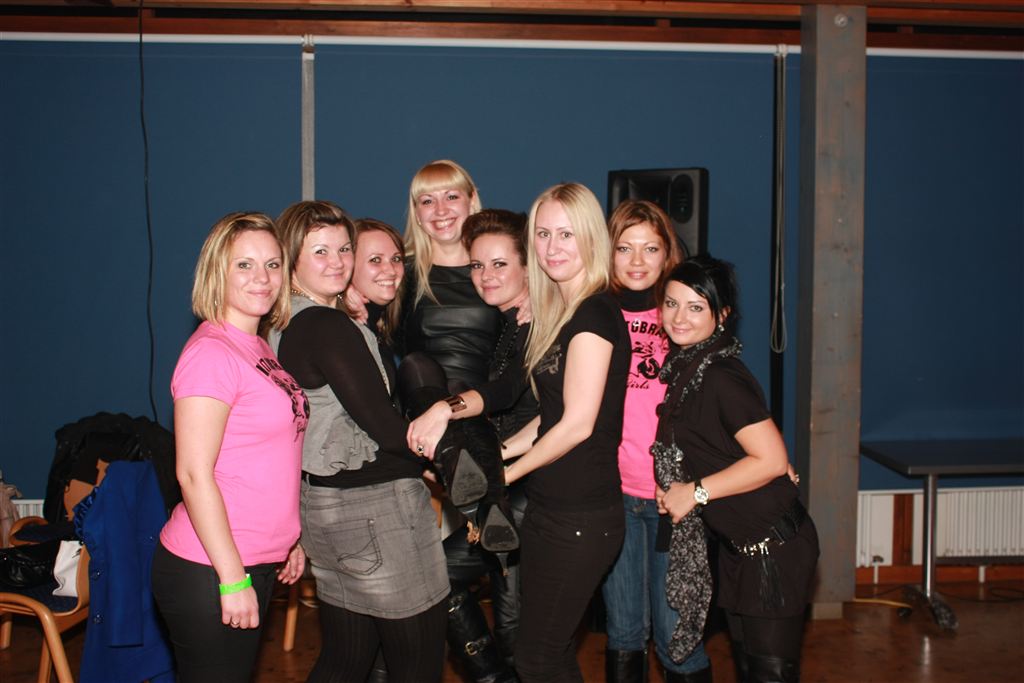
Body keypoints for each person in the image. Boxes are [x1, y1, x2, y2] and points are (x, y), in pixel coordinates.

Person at [271, 201, 449, 683]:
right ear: (291, 258)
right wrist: (441, 458)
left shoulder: (285, 320)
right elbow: (384, 428)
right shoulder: (325, 325)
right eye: (320, 251)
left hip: (323, 506)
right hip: (374, 509)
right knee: (417, 665)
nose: (337, 261)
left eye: (343, 249)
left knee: (346, 660)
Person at [151, 212, 307, 683]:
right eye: (244, 264)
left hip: (254, 557)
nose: (262, 277)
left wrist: (288, 539)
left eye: (272, 264)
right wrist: (233, 577)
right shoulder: (211, 353)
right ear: (217, 271)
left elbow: (266, 455)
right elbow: (192, 474)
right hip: (211, 566)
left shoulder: (256, 346)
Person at [655, 256, 819, 683]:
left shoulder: (720, 375)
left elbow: (771, 460)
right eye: (671, 304)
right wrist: (675, 485)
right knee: (749, 669)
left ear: (722, 314)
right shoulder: (689, 368)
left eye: (695, 307)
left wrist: (695, 492)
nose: (679, 318)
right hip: (739, 550)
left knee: (769, 675)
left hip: (773, 551)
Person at [499, 183, 630, 683]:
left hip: (581, 517)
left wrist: (506, 475)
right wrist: (498, 452)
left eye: (566, 234)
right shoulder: (565, 313)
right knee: (545, 655)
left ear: (591, 238)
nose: (552, 247)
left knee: (537, 658)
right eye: (543, 234)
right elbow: (552, 415)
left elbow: (577, 425)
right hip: (552, 509)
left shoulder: (594, 315)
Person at [407, 208, 537, 680]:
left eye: (500, 264)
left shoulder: (539, 323)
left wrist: (447, 410)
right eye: (478, 266)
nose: (485, 276)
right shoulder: (508, 323)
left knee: (515, 628)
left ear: (529, 267)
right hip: (505, 484)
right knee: (439, 578)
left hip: (533, 487)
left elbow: (509, 392)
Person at [600, 200, 713, 683]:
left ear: (668, 253)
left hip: (674, 500)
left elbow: (722, 397)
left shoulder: (681, 313)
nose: (637, 260)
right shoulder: (596, 312)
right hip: (612, 494)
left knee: (676, 637)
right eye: (624, 248)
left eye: (650, 248)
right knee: (623, 631)